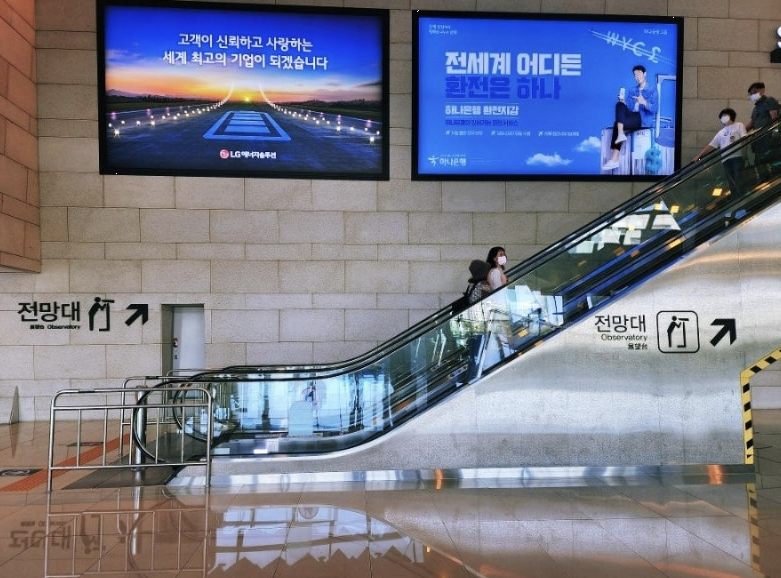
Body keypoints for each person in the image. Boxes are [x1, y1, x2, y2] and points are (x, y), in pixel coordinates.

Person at [602, 64, 658, 171]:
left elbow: (654, 109)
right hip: (632, 116)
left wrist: (644, 102)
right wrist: (622, 101)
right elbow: (628, 107)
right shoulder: (633, 90)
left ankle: (614, 159)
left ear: (645, 74)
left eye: (639, 74)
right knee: (619, 105)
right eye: (635, 75)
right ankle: (621, 134)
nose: (637, 77)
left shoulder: (652, 90)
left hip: (642, 119)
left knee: (617, 124)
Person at [692, 108, 747, 193]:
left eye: (725, 115)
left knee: (739, 177)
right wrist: (698, 156)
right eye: (722, 116)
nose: (723, 118)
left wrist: (744, 153)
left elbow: (744, 138)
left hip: (737, 156)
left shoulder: (739, 125)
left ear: (731, 116)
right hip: (725, 159)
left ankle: (741, 195)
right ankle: (735, 196)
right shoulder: (721, 132)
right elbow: (711, 145)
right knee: (731, 180)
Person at [744, 82, 780, 177]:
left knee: (771, 164)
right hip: (759, 141)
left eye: (754, 92)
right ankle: (765, 181)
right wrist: (738, 131)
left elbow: (775, 118)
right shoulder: (755, 108)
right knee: (759, 163)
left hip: (768, 139)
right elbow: (751, 124)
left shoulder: (769, 101)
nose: (752, 95)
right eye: (750, 94)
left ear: (762, 91)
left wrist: (775, 133)